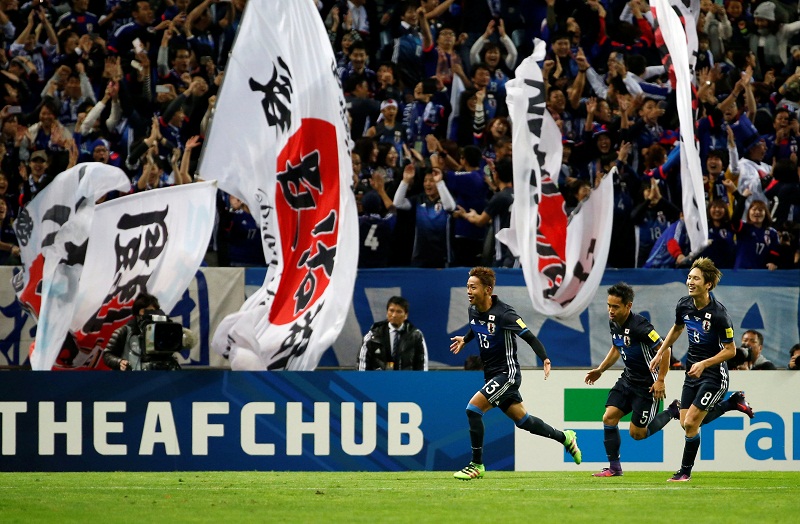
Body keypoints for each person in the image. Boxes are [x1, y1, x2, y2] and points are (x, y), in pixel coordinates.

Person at [449, 267, 581, 480]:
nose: (468, 291)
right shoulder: (473, 310)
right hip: (491, 375)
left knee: (473, 409)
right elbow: (476, 325)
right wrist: (465, 339)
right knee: (524, 421)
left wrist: (545, 358)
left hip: (507, 375)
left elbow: (530, 337)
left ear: (488, 290)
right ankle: (565, 437)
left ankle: (476, 465)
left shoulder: (505, 314)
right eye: (467, 287)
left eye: (473, 287)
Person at [649, 258, 755, 482]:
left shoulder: (719, 315)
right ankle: (732, 403)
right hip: (692, 372)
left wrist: (705, 363)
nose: (690, 281)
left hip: (714, 375)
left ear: (708, 284)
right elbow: (677, 328)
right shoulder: (684, 305)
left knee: (690, 423)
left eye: (695, 278)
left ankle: (684, 472)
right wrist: (660, 352)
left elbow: (731, 351)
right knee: (686, 423)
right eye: (689, 277)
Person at [585, 282, 681, 477]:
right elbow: (616, 347)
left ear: (628, 306)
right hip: (628, 379)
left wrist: (660, 380)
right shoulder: (614, 322)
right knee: (608, 417)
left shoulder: (640, 326)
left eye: (615, 307)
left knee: (637, 434)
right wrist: (601, 369)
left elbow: (665, 350)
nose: (610, 311)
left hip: (646, 386)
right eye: (609, 305)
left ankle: (672, 411)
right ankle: (614, 468)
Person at [103, 293, 183, 371]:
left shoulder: (163, 331)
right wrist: (119, 362)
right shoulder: (124, 331)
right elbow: (107, 355)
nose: (151, 314)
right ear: (139, 311)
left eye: (154, 311)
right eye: (147, 311)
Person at [357, 296, 428, 371]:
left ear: (406, 315)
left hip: (406, 378)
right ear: (387, 313)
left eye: (399, 312)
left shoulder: (416, 336)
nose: (394, 315)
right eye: (391, 311)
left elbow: (422, 365)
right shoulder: (373, 335)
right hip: (379, 378)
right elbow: (362, 364)